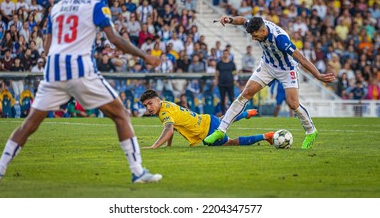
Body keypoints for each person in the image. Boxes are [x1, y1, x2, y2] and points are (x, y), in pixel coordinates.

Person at [0, 0, 162, 185]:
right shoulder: (96, 5)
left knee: (28, 125)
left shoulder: (57, 7)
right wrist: (146, 56)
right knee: (121, 115)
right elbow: (115, 39)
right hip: (80, 69)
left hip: (53, 71)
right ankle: (137, 171)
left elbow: (46, 46)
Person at [204, 16, 335, 149]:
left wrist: (317, 75)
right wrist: (230, 20)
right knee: (246, 94)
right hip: (267, 66)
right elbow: (243, 20)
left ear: (263, 31)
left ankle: (311, 131)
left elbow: (300, 57)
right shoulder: (256, 24)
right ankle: (221, 130)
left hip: (286, 69)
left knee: (293, 104)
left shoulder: (280, 39)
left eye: (255, 35)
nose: (253, 38)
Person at [140, 89, 272, 148]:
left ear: (157, 100)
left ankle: (266, 136)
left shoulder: (164, 113)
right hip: (207, 119)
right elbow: (172, 127)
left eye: (150, 103)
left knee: (231, 143)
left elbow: (168, 130)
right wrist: (168, 145)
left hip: (207, 131)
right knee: (222, 121)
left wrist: (154, 146)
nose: (148, 108)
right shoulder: (166, 104)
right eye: (146, 106)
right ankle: (246, 114)